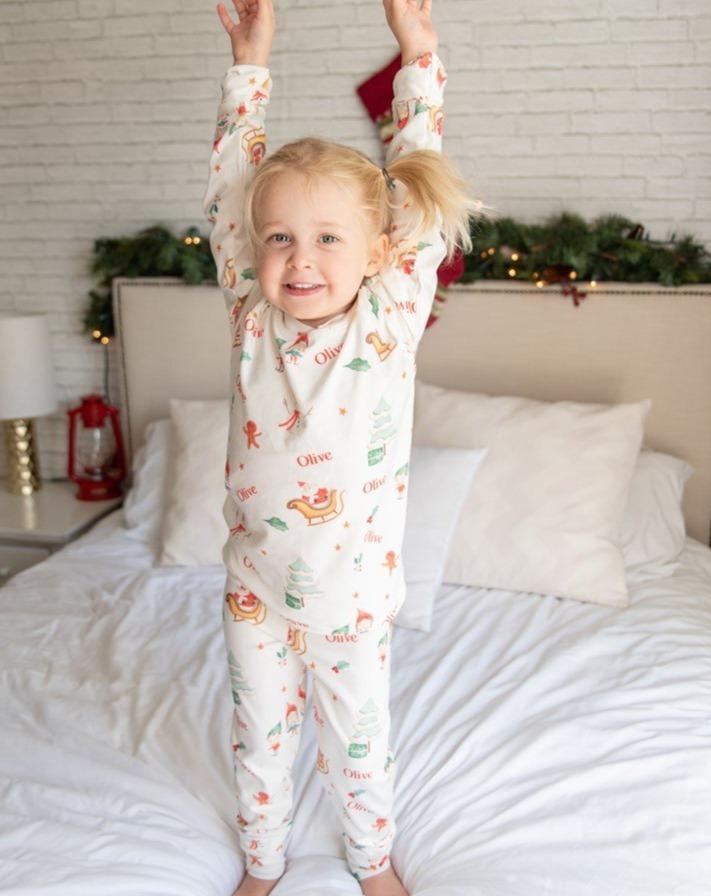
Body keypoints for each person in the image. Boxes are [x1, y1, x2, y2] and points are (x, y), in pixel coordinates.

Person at [202, 2, 487, 894]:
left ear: (379, 250)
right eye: (280, 237)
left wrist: (419, 57)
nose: (299, 259)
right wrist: (251, 69)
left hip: (353, 602)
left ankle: (369, 864)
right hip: (254, 590)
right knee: (261, 740)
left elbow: (417, 169)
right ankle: (262, 862)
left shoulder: (388, 317)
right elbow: (228, 191)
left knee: (357, 747)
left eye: (327, 238)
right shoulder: (252, 313)